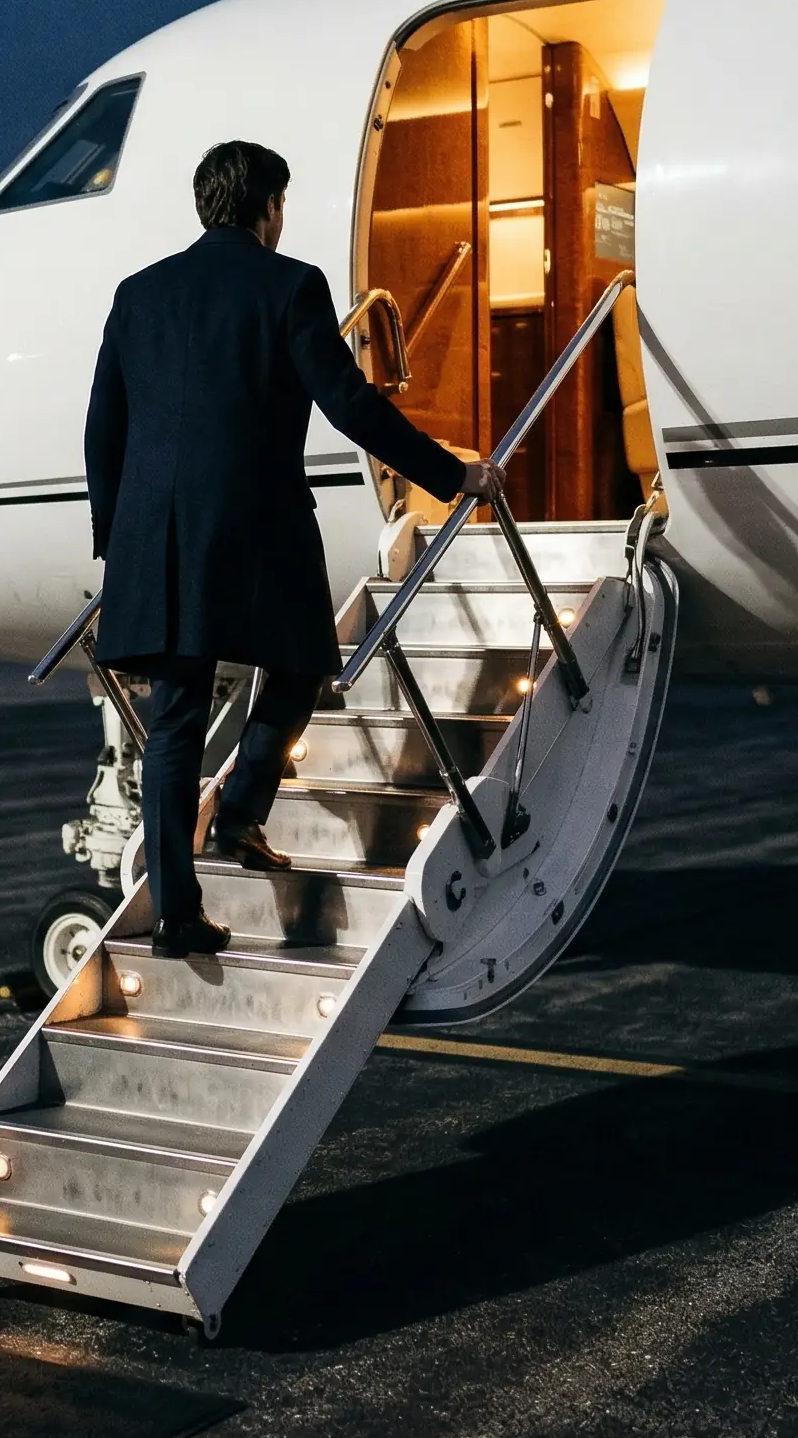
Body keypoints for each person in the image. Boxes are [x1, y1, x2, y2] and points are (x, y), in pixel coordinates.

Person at [84, 141, 504, 957]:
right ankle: (241, 810)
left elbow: (104, 426)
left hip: (154, 539)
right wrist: (453, 475)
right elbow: (351, 405)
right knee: (303, 662)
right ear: (269, 207)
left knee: (174, 720)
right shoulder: (289, 285)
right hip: (257, 525)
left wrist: (118, 539)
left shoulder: (139, 293)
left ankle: (176, 913)